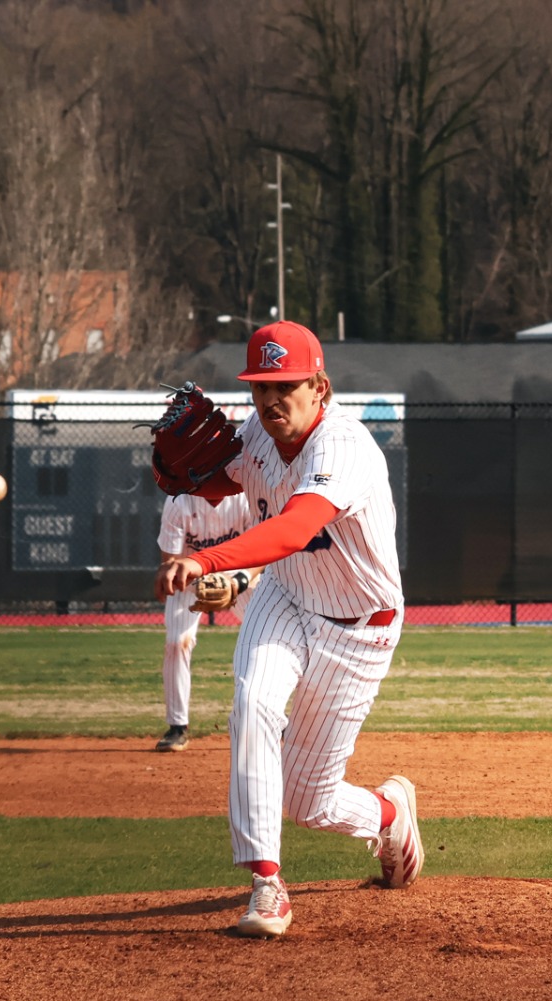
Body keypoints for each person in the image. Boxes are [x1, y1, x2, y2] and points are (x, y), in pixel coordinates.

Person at [154, 320, 419, 939]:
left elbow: (295, 529)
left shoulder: (342, 447)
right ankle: (266, 885)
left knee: (309, 802)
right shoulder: (257, 433)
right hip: (286, 599)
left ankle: (387, 815)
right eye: (260, 387)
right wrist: (187, 475)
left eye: (285, 385)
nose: (271, 400)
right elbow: (226, 480)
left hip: (358, 628)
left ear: (319, 387)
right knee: (252, 706)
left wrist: (207, 561)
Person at [154, 490, 257, 752]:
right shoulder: (178, 501)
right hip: (190, 582)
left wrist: (235, 582)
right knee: (177, 642)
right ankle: (177, 727)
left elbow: (259, 551)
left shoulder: (244, 496)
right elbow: (171, 562)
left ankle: (272, 717)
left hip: (238, 578)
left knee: (267, 636)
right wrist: (193, 581)